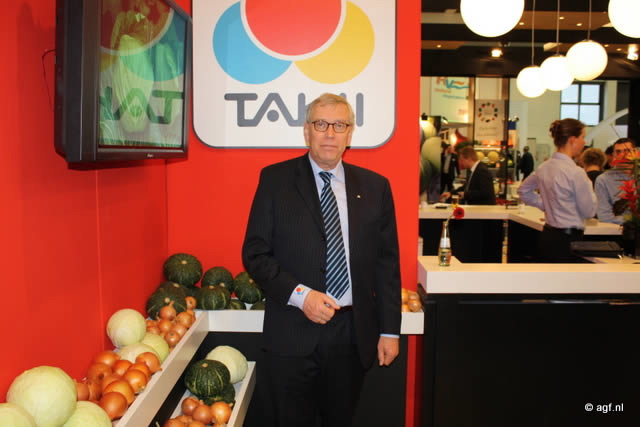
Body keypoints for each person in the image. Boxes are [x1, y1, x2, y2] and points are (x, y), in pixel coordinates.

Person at [242, 93, 401, 426]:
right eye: (321, 124)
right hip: (292, 331)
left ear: (349, 134)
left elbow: (386, 265)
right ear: (306, 131)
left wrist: (390, 331)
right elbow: (255, 253)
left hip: (352, 335)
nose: (330, 133)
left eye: (339, 125)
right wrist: (302, 296)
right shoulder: (275, 180)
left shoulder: (376, 187)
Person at [518, 118, 596, 262]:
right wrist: (547, 204)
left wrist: (546, 205)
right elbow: (589, 211)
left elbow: (523, 191)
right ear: (573, 140)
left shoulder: (544, 167)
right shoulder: (576, 172)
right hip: (569, 240)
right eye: (583, 137)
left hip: (548, 236)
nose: (584, 142)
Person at [594, 138, 636, 224]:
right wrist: (633, 221)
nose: (623, 155)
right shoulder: (603, 180)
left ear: (635, 152)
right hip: (619, 230)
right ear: (613, 155)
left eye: (627, 151)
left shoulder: (637, 176)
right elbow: (604, 216)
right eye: (618, 152)